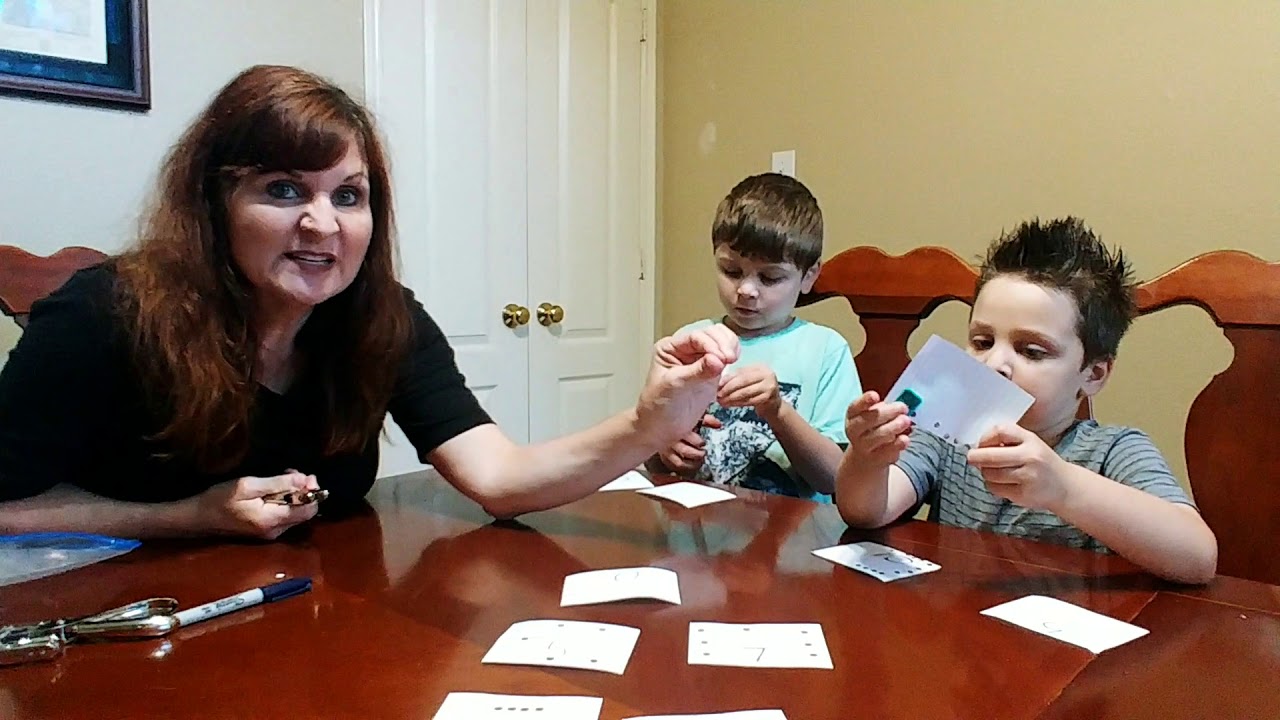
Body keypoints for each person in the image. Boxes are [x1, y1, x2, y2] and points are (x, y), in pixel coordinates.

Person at [0, 65, 738, 540]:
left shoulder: (386, 320)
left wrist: (649, 424)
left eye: (348, 196)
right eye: (284, 189)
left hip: (310, 618)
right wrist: (189, 517)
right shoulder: (103, 316)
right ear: (214, 200)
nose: (322, 224)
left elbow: (501, 481)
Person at [835, 217, 1217, 583]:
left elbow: (1198, 558)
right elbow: (866, 511)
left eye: (1031, 351)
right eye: (982, 342)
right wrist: (866, 460)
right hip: (957, 623)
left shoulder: (1112, 450)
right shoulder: (945, 435)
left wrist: (1063, 487)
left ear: (1093, 374)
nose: (996, 363)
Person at [648, 173, 861, 502]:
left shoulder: (826, 351)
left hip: (792, 542)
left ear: (809, 276)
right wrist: (665, 448)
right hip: (692, 535)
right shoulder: (690, 340)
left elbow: (834, 478)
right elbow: (648, 454)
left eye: (770, 277)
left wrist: (778, 411)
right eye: (731, 271)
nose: (746, 290)